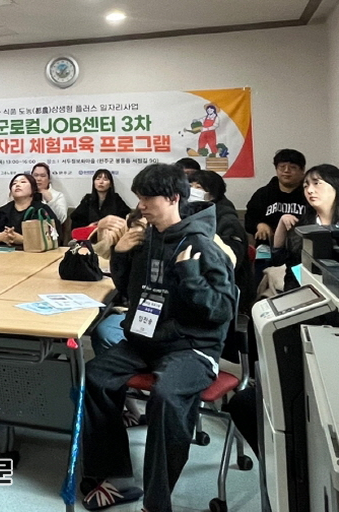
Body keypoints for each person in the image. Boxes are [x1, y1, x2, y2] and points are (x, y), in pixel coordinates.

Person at [81, 163, 236, 512]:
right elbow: (129, 290)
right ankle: (115, 479)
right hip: (146, 340)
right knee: (94, 377)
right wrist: (121, 255)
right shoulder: (148, 237)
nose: (141, 206)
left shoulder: (203, 245)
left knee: (166, 398)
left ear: (173, 198)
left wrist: (190, 275)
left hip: (193, 347)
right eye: (139, 198)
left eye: (147, 199)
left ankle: (156, 501)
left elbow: (222, 311)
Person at [189, 170, 252, 312]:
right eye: (190, 186)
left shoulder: (227, 220)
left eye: (198, 187)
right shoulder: (191, 214)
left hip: (224, 290)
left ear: (213, 194)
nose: (192, 191)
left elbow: (232, 261)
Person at [272, 164, 339, 289]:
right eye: (305, 186)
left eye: (317, 183)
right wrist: (281, 225)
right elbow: (281, 262)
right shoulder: (302, 227)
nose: (310, 190)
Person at [245, 149, 308, 245]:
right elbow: (249, 220)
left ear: (302, 170)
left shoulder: (310, 194)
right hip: (268, 247)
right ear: (276, 169)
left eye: (293, 167)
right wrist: (259, 225)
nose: (286, 171)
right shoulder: (263, 194)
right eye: (282, 167)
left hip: (302, 247)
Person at [0, 173, 60, 247]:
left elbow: (56, 238)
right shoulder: (2, 212)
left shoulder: (42, 210)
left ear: (33, 189)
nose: (17, 185)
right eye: (14, 184)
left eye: (23, 182)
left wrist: (23, 240)